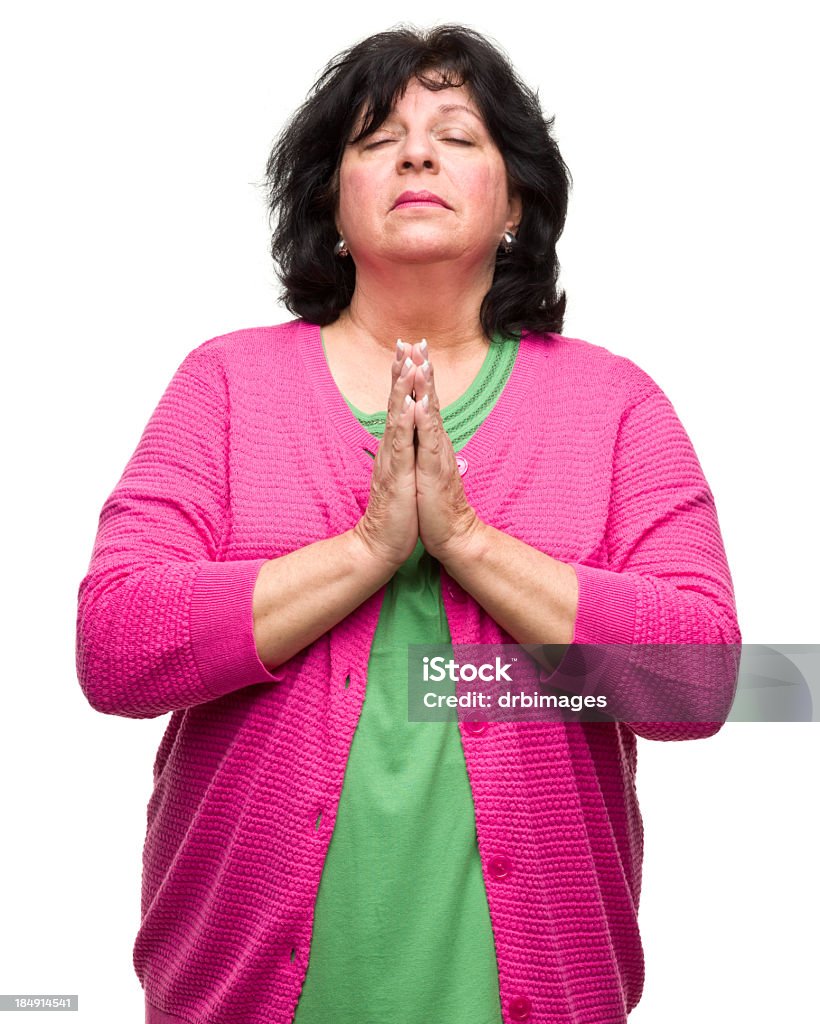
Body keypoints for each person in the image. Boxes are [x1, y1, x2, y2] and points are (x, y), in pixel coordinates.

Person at [74, 23, 742, 1024]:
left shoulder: (614, 406)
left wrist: (468, 542)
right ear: (330, 204)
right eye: (377, 136)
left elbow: (699, 678)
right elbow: (113, 645)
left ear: (515, 199)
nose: (416, 153)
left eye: (456, 134)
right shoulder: (223, 385)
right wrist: (367, 549)